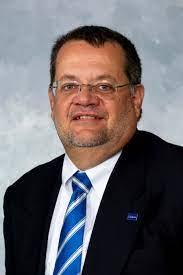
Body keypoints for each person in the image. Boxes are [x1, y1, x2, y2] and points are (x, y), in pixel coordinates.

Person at [3, 25, 183, 275]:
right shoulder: (23, 196)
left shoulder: (177, 182)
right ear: (52, 101)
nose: (85, 99)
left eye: (104, 86)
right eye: (69, 86)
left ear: (135, 98)